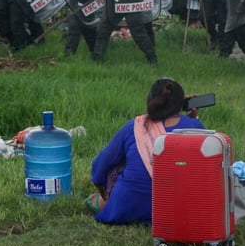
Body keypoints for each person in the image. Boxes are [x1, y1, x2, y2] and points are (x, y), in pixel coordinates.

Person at [88, 78, 205, 224]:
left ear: (151, 100)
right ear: (180, 104)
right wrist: (192, 120)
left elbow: (101, 164)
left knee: (119, 161)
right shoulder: (194, 127)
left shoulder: (134, 127)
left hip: (126, 207)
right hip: (175, 208)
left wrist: (101, 187)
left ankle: (108, 202)